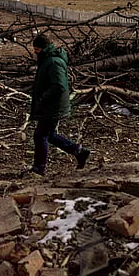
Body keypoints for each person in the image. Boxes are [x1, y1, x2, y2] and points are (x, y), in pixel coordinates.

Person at [26, 34, 90, 175]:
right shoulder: (47, 60)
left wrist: (44, 97)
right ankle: (78, 151)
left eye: (37, 49)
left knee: (40, 135)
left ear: (44, 48)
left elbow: (59, 86)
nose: (35, 52)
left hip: (53, 106)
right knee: (48, 134)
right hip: (51, 105)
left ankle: (39, 168)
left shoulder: (54, 62)